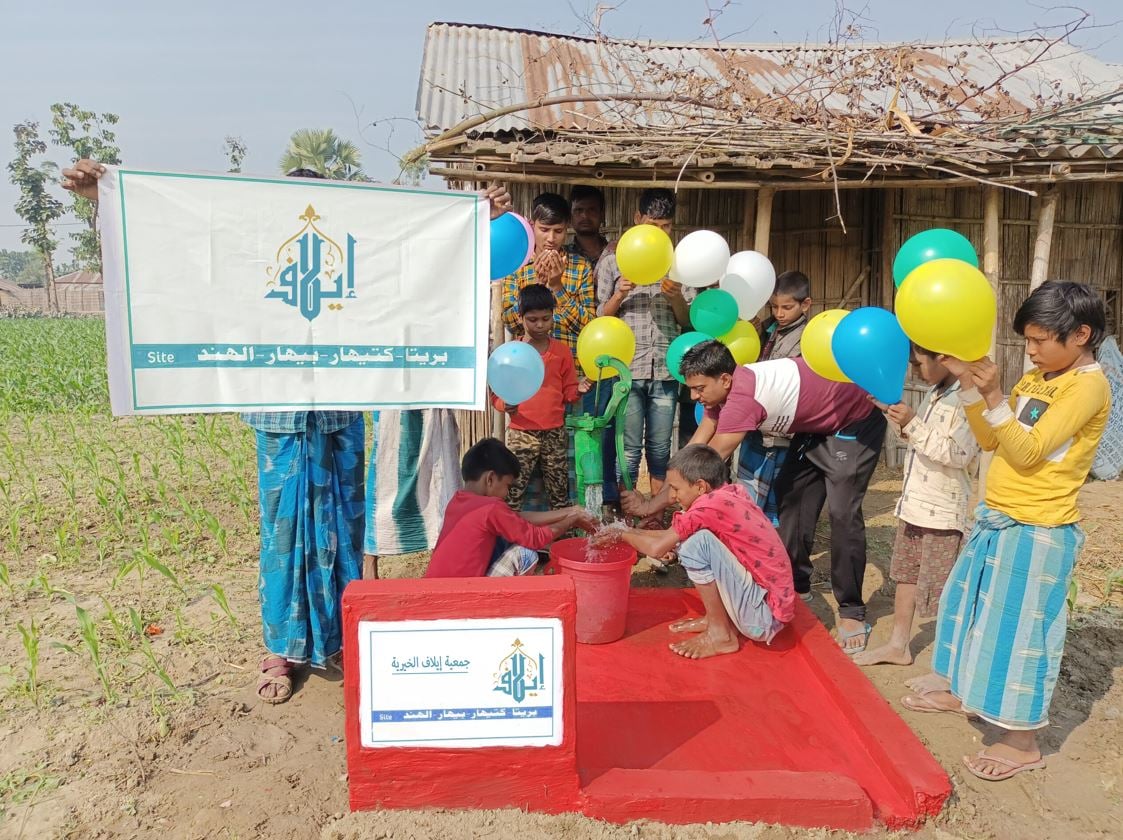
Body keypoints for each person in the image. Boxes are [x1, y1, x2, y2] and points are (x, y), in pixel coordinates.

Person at [901, 281, 1110, 782]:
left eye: (1040, 341)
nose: (1031, 351)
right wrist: (972, 388)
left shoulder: (1087, 386)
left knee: (1020, 634)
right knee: (968, 610)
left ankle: (1021, 742)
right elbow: (991, 437)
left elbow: (1028, 452)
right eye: (1028, 342)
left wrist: (993, 391)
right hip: (998, 514)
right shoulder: (1039, 379)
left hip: (1039, 527)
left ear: (1080, 334)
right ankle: (962, 692)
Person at [622, 340, 886, 653]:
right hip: (815, 425)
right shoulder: (722, 391)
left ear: (724, 380)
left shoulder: (742, 400)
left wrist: (651, 506)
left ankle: (851, 611)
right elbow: (695, 451)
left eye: (699, 388)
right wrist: (663, 494)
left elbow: (703, 462)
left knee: (842, 513)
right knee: (792, 498)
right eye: (691, 389)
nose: (694, 396)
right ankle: (797, 587)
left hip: (854, 420)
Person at [593, 445, 795, 659]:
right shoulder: (727, 494)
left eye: (676, 488)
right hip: (767, 607)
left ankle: (721, 635)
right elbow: (667, 537)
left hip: (761, 622)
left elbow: (656, 548)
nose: (672, 496)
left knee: (696, 545)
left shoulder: (707, 508)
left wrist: (621, 536)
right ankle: (719, 619)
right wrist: (627, 530)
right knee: (693, 540)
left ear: (700, 486)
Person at [854, 346, 978, 667]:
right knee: (906, 575)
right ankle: (899, 644)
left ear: (944, 357)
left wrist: (912, 422)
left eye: (919, 362)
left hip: (942, 511)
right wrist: (895, 414)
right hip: (915, 504)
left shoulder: (968, 398)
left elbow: (957, 454)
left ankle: (952, 662)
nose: (916, 369)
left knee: (944, 588)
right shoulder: (936, 392)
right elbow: (918, 440)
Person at [595, 188, 690, 508]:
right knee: (630, 447)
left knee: (661, 448)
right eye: (652, 224)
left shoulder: (679, 263)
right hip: (628, 369)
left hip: (665, 366)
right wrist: (620, 294)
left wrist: (676, 296)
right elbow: (600, 318)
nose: (659, 233)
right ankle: (628, 511)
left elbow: (687, 322)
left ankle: (654, 513)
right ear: (637, 219)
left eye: (666, 227)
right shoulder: (613, 260)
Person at [424, 438, 599, 577]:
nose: (507, 493)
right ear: (490, 479)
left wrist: (570, 511)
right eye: (508, 485)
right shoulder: (491, 508)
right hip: (461, 597)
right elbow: (537, 538)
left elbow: (515, 518)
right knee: (526, 553)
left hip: (437, 588)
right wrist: (573, 520)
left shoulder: (458, 501)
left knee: (509, 537)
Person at [492, 284, 587, 510]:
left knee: (559, 490)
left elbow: (569, 393)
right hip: (521, 432)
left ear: (553, 316)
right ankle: (509, 537)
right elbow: (495, 394)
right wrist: (506, 405)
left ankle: (559, 538)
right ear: (520, 317)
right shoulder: (511, 353)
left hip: (555, 432)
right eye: (533, 319)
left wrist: (580, 390)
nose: (540, 325)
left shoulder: (562, 352)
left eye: (546, 318)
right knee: (512, 490)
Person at [741, 270, 813, 526]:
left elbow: (793, 379)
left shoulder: (807, 337)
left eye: (787, 307)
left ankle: (771, 541)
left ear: (806, 304)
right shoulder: (772, 330)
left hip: (782, 430)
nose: (779, 313)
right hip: (759, 423)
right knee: (750, 489)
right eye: (774, 307)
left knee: (774, 494)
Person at [501, 192, 595, 358]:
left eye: (558, 231)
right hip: (528, 366)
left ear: (567, 229)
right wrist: (537, 286)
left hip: (570, 369)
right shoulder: (517, 266)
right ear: (532, 225)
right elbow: (510, 323)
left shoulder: (580, 267)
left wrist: (558, 287)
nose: (551, 238)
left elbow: (588, 327)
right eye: (544, 230)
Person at [567, 185, 608, 268]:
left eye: (592, 210)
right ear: (570, 216)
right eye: (579, 210)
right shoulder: (564, 256)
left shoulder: (615, 253)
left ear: (602, 215)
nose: (585, 216)